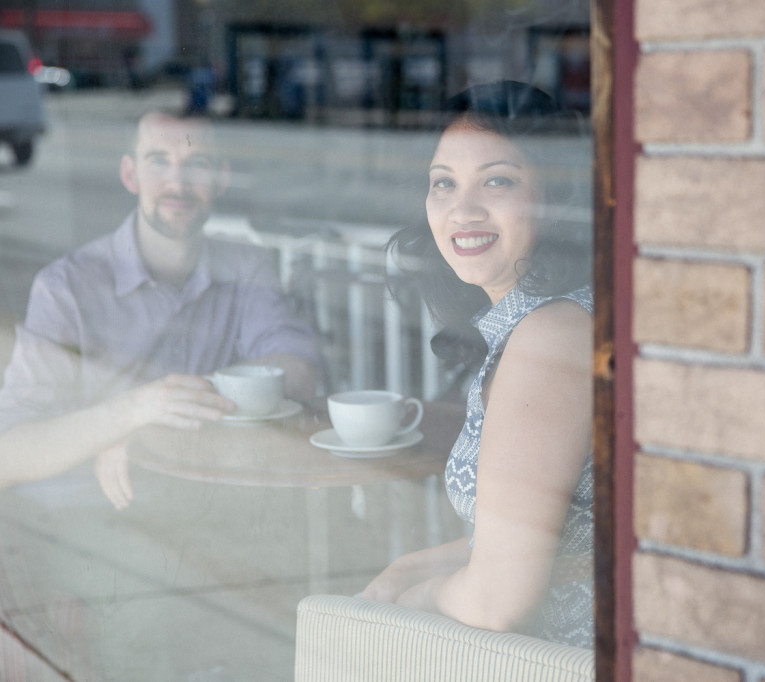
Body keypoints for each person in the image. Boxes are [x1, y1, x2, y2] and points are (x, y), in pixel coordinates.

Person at [361, 81, 594, 647]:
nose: (462, 210)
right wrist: (410, 569)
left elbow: (497, 602)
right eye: (443, 183)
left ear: (553, 194)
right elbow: (540, 535)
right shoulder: (536, 323)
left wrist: (419, 600)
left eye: (497, 180)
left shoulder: (552, 336)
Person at [0, 110, 319, 508]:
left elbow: (299, 371)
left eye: (196, 164)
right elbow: (8, 455)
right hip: (89, 525)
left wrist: (158, 422)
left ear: (220, 178)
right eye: (158, 162)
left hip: (212, 509)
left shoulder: (245, 266)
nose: (178, 183)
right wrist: (133, 413)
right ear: (130, 175)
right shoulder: (66, 286)